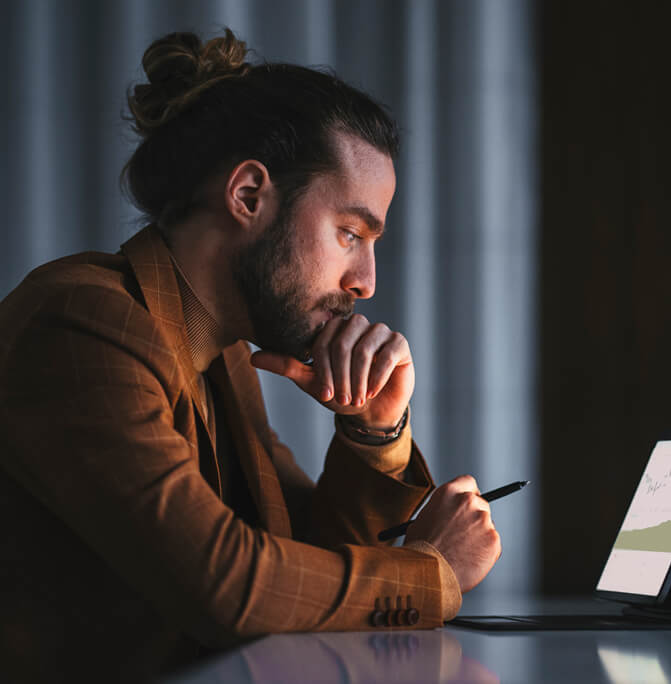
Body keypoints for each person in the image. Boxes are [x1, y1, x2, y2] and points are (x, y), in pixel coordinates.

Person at [0, 29, 500, 681]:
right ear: (248, 197)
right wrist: (432, 575)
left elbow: (303, 565)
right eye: (349, 233)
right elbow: (231, 586)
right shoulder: (84, 324)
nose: (367, 282)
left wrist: (374, 430)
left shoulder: (222, 354)